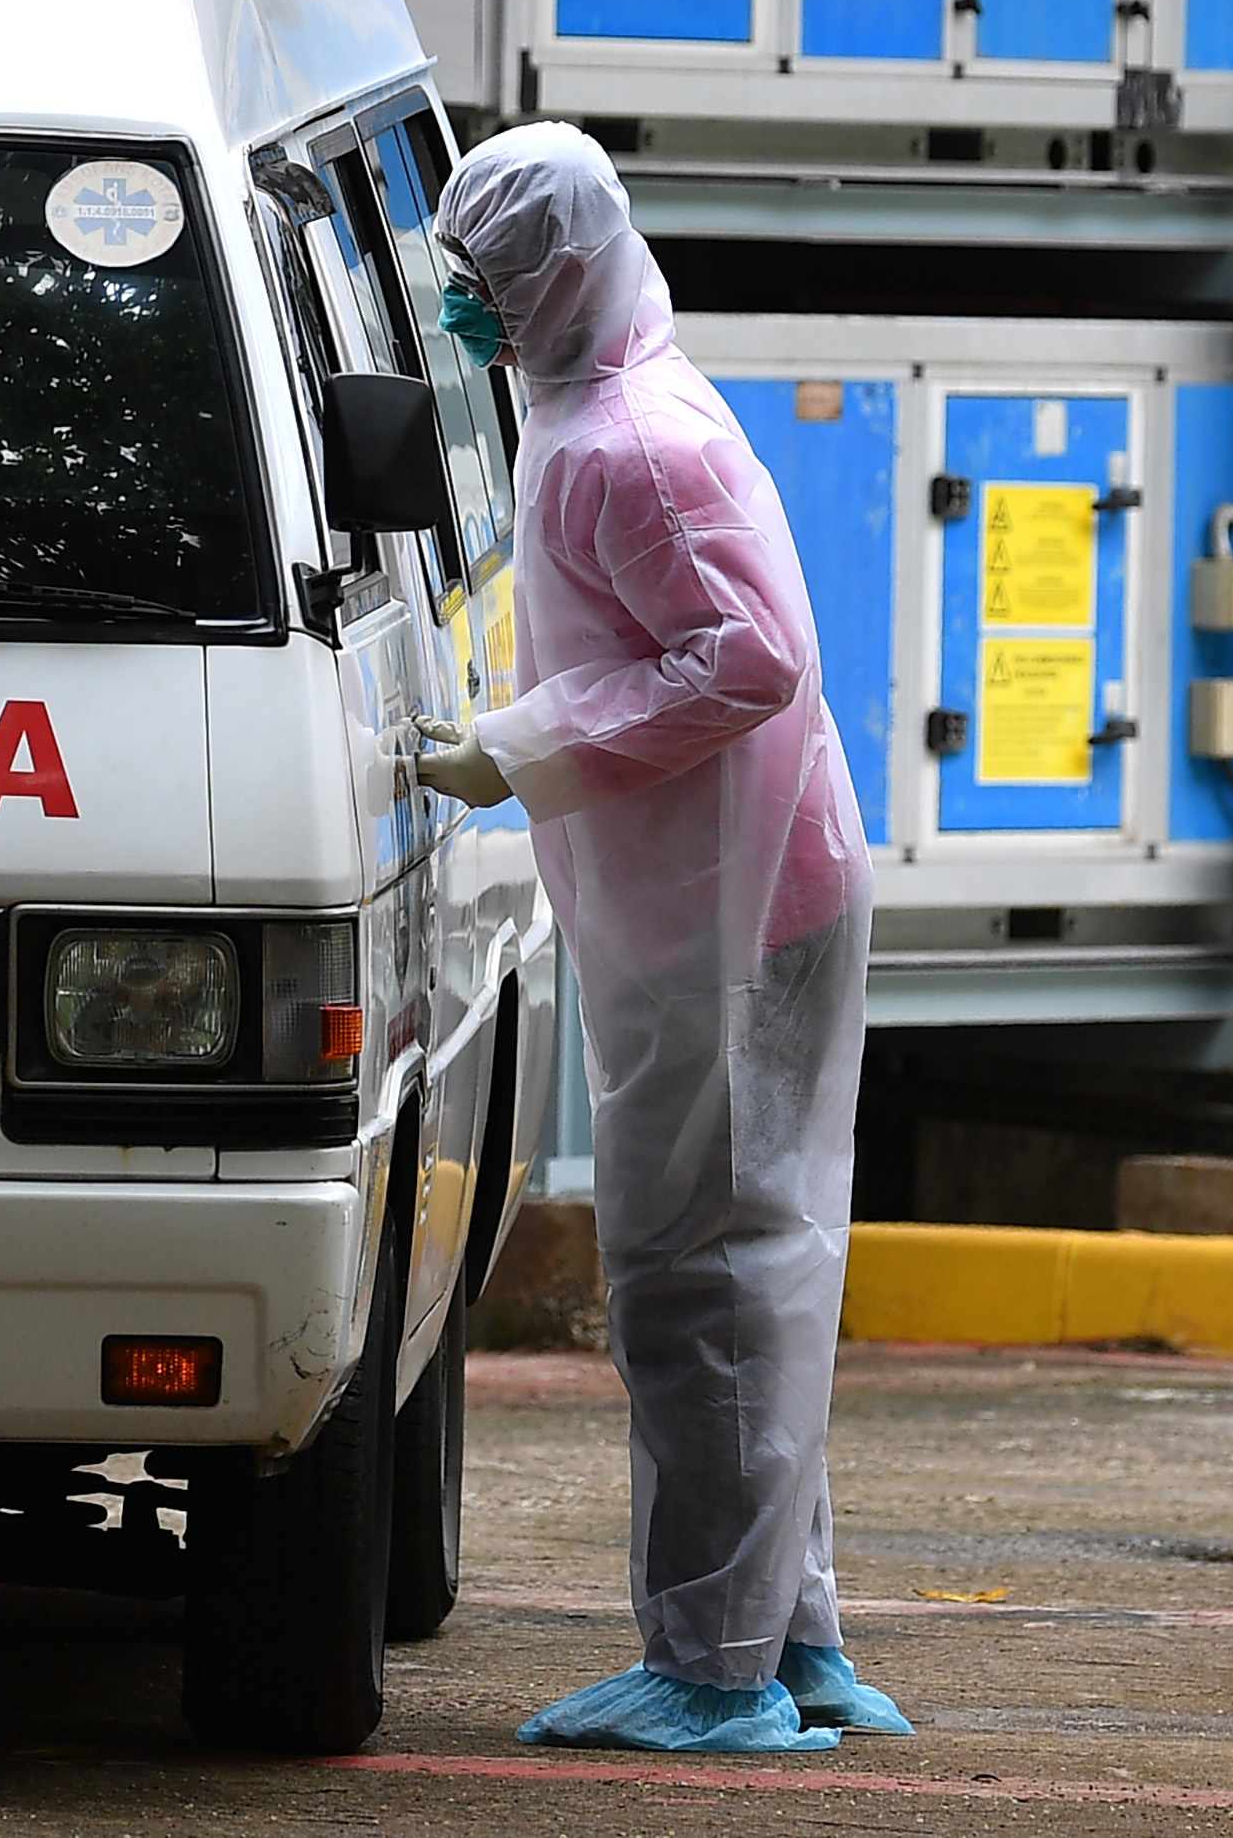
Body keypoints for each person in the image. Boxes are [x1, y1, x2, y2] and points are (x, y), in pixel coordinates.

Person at [405, 123, 913, 1754]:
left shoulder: (630, 438)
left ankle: (716, 1666)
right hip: (729, 893)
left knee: (698, 1279)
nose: (464, 311)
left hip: (729, 915)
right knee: (748, 1275)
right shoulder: (599, 398)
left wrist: (522, 743)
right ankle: (794, 1636)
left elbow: (749, 656)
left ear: (554, 275)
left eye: (485, 283)